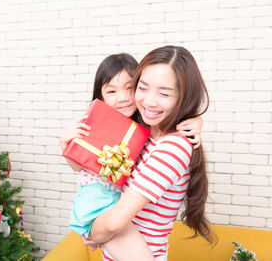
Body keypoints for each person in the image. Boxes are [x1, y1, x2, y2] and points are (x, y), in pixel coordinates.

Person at [60, 52, 204, 260]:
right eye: (143, 88)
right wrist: (65, 145)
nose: (125, 97)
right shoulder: (140, 132)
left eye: (164, 93)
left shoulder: (172, 145)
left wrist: (94, 232)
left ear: (183, 96)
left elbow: (112, 224)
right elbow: (83, 164)